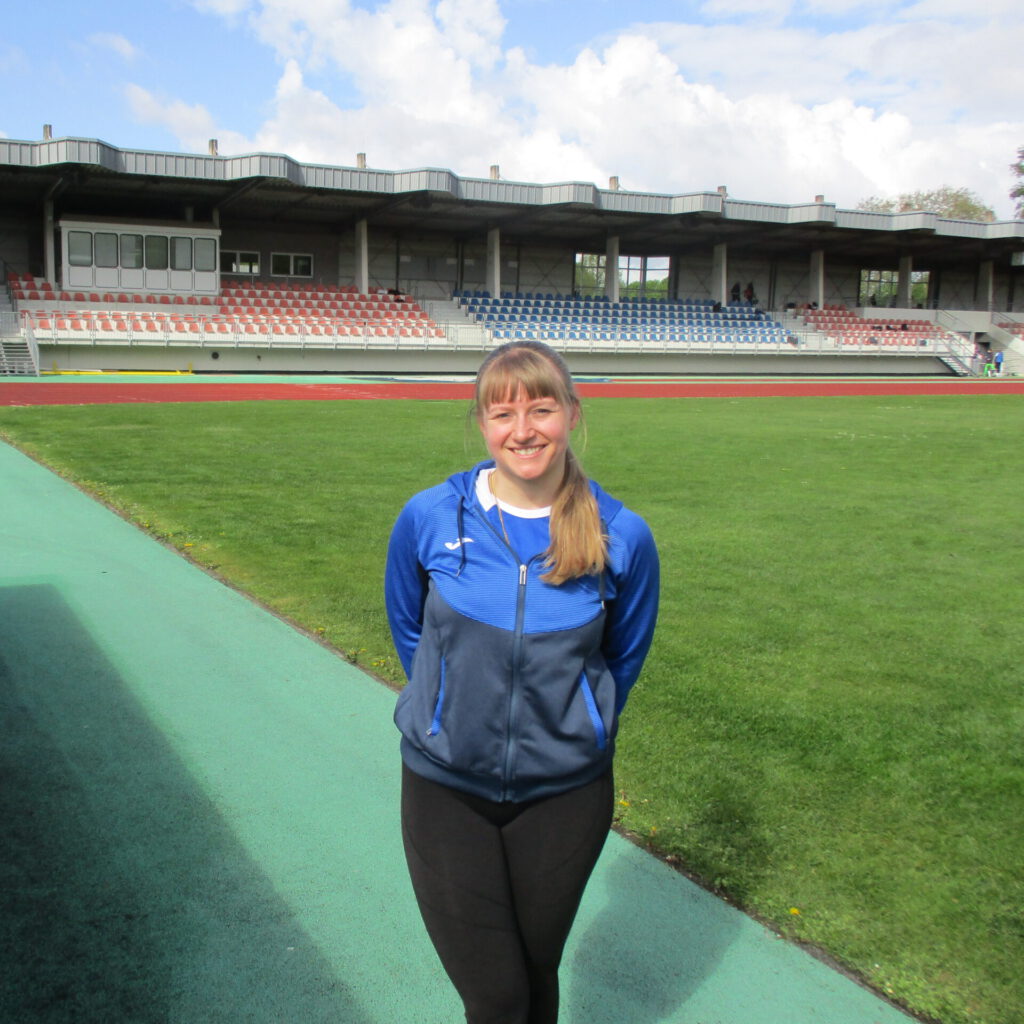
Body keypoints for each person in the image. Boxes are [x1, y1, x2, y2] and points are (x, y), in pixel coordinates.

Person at [385, 341, 660, 1024]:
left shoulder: (622, 535)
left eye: (541, 409)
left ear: (572, 414)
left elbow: (623, 657)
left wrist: (579, 723)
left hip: (565, 798)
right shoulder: (430, 516)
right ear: (481, 423)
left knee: (536, 978)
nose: (523, 430)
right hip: (447, 789)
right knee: (498, 997)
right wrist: (447, 707)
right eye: (503, 413)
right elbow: (409, 629)